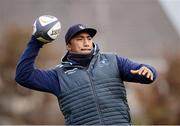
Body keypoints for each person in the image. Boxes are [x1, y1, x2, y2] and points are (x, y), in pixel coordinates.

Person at [15, 24, 157, 125]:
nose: (86, 42)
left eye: (88, 38)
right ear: (68, 46)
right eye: (79, 39)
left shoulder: (113, 61)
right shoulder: (58, 75)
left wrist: (149, 71)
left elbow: (145, 72)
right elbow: (23, 76)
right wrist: (36, 41)